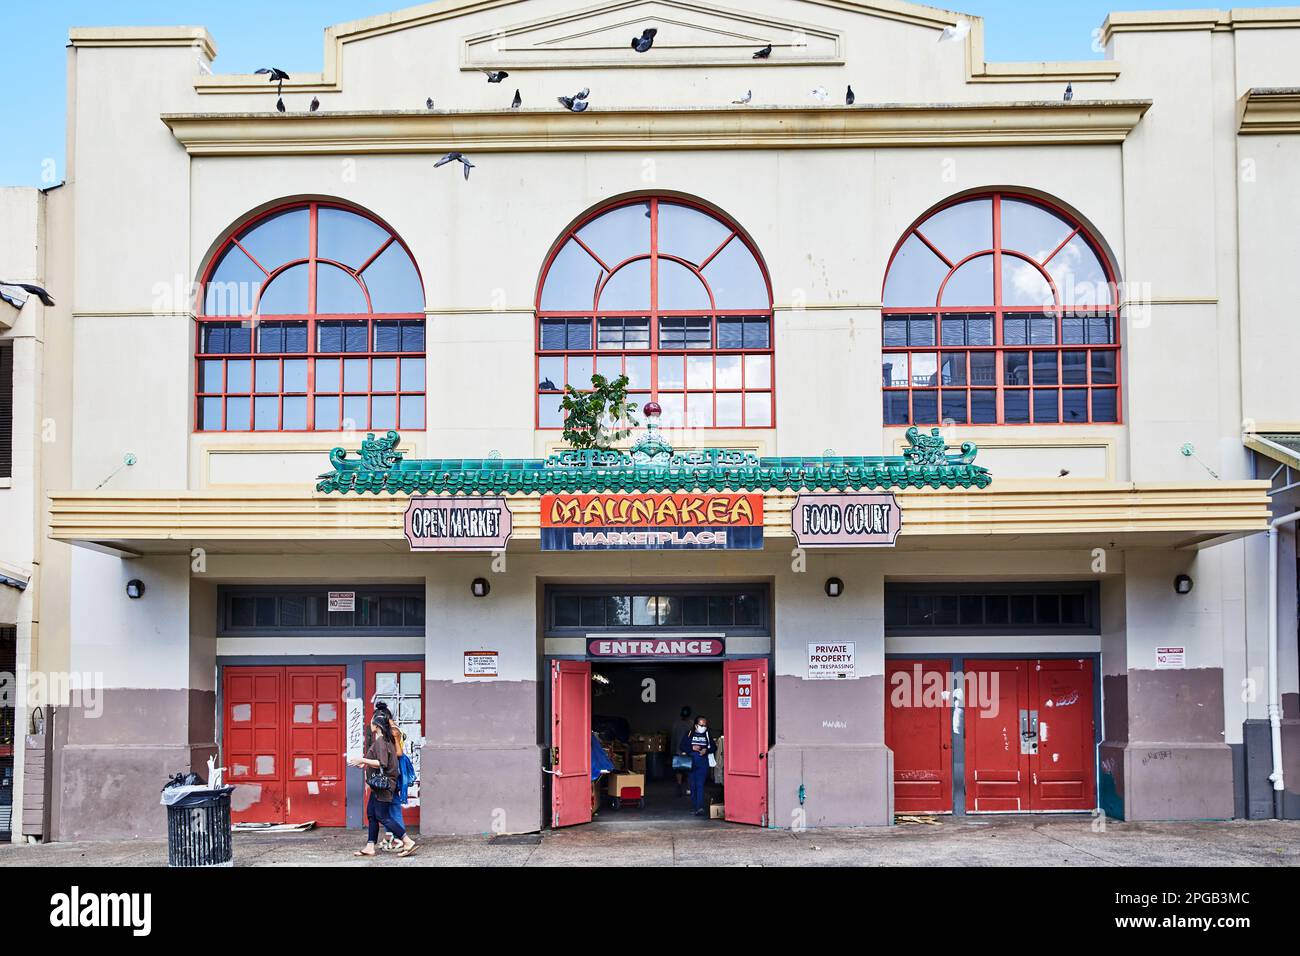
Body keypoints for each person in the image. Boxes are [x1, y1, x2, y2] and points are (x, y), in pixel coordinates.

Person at [349, 711, 417, 858]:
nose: (371, 724)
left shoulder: (381, 741)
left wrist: (363, 760)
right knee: (372, 815)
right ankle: (369, 847)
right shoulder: (384, 740)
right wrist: (364, 763)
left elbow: (382, 763)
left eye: (372, 722)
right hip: (378, 786)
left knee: (382, 816)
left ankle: (407, 841)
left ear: (377, 725)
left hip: (383, 785)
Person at [373, 701, 409, 851]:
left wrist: (385, 756)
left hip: (394, 770)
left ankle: (400, 839)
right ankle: (391, 837)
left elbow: (399, 752)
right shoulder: (392, 729)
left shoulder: (393, 731)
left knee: (393, 805)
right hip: (394, 769)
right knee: (391, 805)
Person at [679, 715, 716, 816]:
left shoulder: (707, 734)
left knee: (700, 785)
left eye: (705, 725)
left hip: (702, 763)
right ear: (696, 725)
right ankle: (695, 806)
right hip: (691, 763)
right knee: (692, 785)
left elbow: (714, 747)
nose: (703, 727)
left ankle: (699, 807)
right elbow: (682, 746)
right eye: (701, 725)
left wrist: (706, 750)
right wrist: (692, 748)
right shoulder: (689, 734)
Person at [670, 706, 693, 797]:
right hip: (689, 750)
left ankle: (679, 785)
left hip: (678, 750)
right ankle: (688, 788)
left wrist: (672, 750)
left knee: (678, 769)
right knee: (689, 770)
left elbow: (674, 738)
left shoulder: (676, 724)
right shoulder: (692, 724)